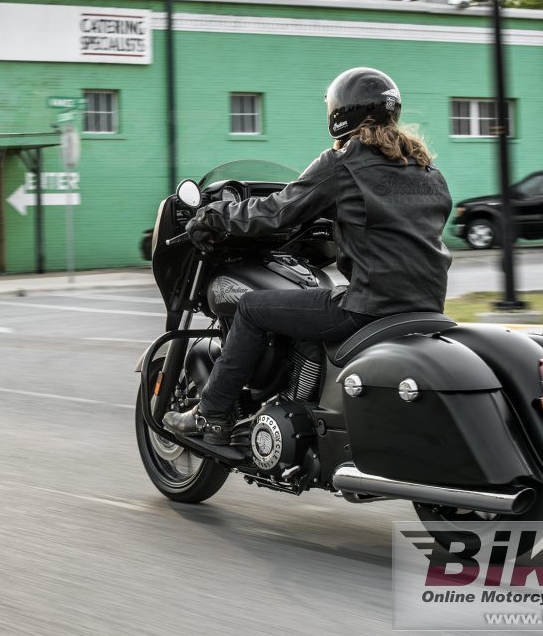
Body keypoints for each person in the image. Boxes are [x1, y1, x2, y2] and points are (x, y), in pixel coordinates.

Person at [163, 67, 453, 446]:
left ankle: (211, 414)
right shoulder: (427, 170)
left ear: (340, 113)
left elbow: (276, 211)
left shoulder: (345, 163)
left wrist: (215, 216)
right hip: (427, 305)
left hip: (369, 306)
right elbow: (393, 226)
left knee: (251, 307)